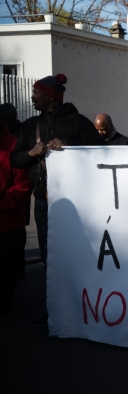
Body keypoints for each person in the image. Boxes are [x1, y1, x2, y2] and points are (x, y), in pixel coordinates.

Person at [10, 74, 105, 326]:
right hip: (44, 203)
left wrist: (70, 145)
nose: (32, 97)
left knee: (78, 254)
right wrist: (31, 152)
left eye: (36, 93)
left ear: (51, 97)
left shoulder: (78, 122)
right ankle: (55, 307)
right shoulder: (30, 126)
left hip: (77, 205)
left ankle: (83, 305)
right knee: (48, 258)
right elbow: (15, 159)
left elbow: (101, 153)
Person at [0, 104, 31, 314]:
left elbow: (22, 188)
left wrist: (2, 204)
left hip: (8, 225)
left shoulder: (14, 147)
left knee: (6, 275)